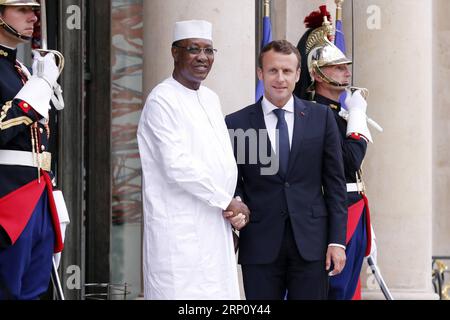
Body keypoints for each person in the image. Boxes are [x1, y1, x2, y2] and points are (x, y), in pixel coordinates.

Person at [225, 40, 347, 300]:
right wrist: (236, 201)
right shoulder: (237, 123)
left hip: (312, 244)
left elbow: (335, 185)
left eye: (287, 71)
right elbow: (233, 180)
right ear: (260, 73)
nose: (280, 78)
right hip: (259, 243)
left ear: (298, 75)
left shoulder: (321, 118)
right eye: (272, 71)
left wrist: (337, 241)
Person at [137, 20, 250, 300]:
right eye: (194, 49)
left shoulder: (211, 98)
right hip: (179, 229)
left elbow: (221, 160)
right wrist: (226, 200)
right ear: (175, 53)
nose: (203, 57)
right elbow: (176, 165)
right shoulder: (161, 100)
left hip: (216, 224)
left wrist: (233, 202)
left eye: (209, 50)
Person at [294, 6, 373, 300]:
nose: (347, 72)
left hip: (355, 209)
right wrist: (358, 120)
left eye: (345, 66)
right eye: (339, 67)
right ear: (318, 73)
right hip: (334, 212)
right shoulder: (316, 115)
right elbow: (349, 161)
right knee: (335, 290)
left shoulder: (337, 113)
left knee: (349, 289)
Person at [0, 0, 65, 300]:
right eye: (21, 9)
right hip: (7, 197)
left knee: (36, 291)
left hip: (38, 194)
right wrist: (39, 87)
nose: (33, 16)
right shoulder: (28, 77)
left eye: (33, 9)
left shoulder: (22, 70)